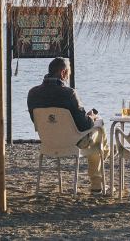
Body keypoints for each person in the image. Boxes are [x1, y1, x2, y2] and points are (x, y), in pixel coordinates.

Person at [27, 57, 108, 192]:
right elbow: (84, 126)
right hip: (72, 142)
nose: (68, 76)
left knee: (97, 140)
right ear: (63, 73)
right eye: (68, 73)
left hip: (48, 141)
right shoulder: (69, 94)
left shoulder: (33, 93)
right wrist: (92, 118)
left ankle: (107, 153)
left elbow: (35, 120)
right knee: (99, 132)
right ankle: (97, 183)